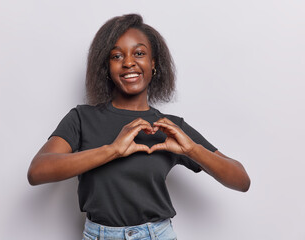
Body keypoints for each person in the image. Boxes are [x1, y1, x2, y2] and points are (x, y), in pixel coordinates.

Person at [27, 14, 250, 240]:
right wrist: (112, 150)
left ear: (153, 64)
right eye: (116, 55)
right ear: (106, 67)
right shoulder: (82, 118)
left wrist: (192, 150)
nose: (128, 62)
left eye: (139, 53)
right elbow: (37, 171)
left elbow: (241, 180)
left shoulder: (170, 127)